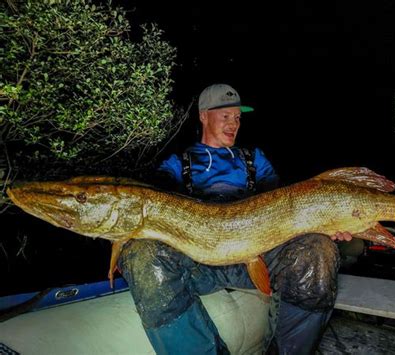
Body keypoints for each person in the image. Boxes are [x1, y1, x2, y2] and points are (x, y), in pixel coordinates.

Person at [118, 83, 352, 354]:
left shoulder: (254, 159)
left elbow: (284, 206)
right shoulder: (177, 163)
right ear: (204, 116)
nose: (234, 124)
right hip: (197, 262)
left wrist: (327, 222)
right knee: (139, 253)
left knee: (319, 249)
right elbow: (155, 201)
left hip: (256, 255)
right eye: (226, 116)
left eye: (238, 117)